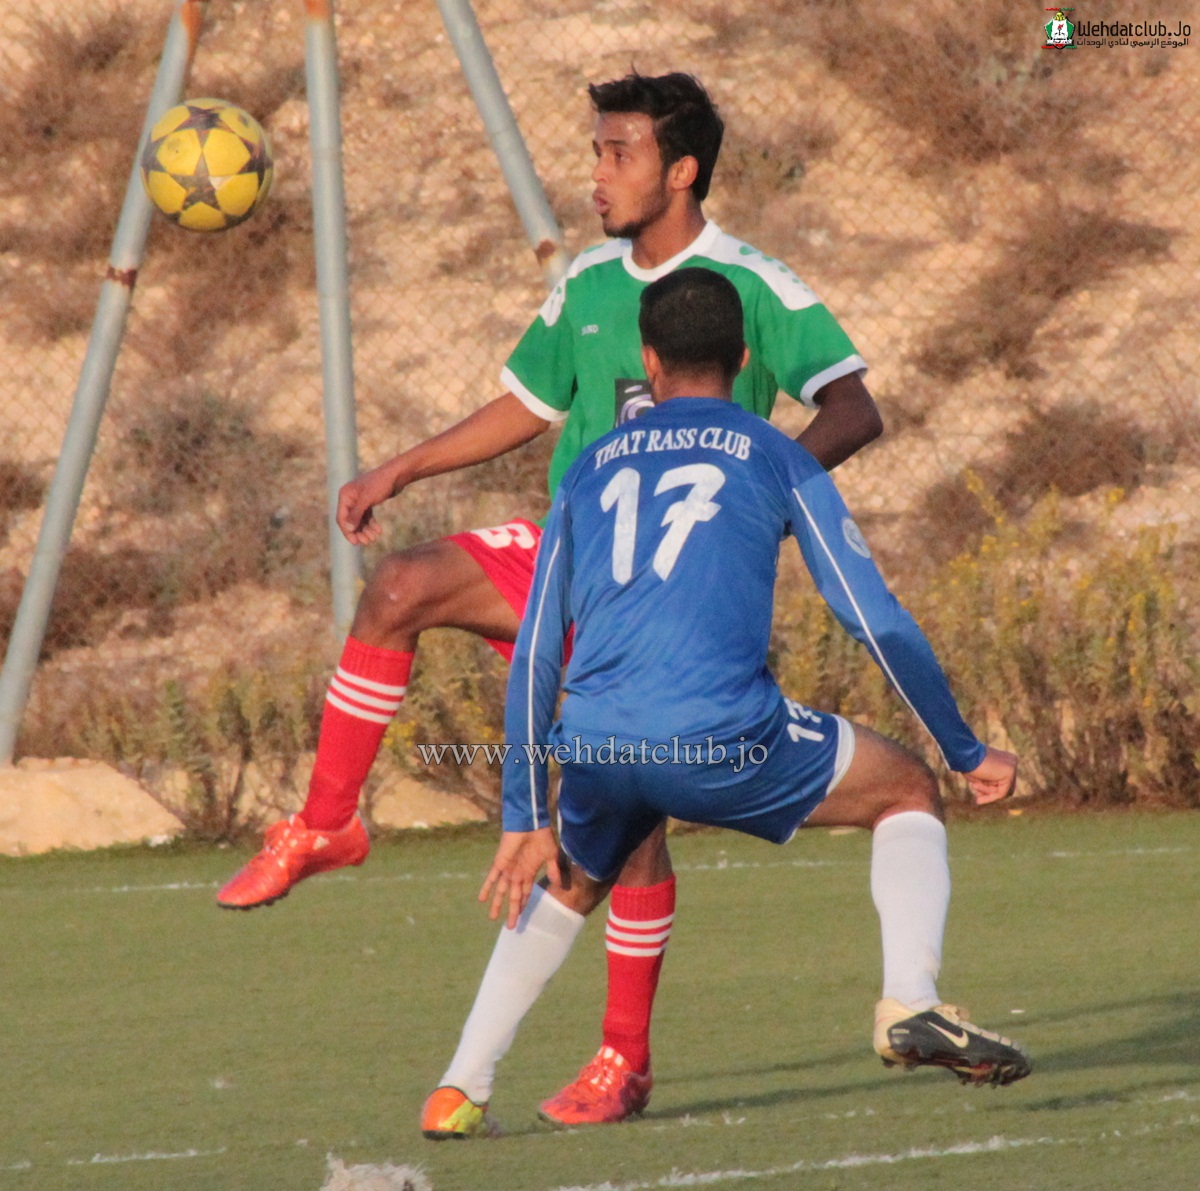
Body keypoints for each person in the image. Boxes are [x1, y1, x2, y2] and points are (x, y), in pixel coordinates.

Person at [216, 72, 883, 1124]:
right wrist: (400, 468)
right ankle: (326, 824)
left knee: (630, 819)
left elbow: (853, 406)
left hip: (656, 605)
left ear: (681, 169)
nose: (597, 175)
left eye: (618, 153)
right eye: (595, 152)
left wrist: (765, 492)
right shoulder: (589, 282)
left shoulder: (755, 287)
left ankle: (624, 1059)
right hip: (566, 558)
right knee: (401, 585)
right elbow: (528, 405)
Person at [420, 268, 1029, 1139]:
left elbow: (539, 653)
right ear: (744, 359)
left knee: (571, 880)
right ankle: (909, 1000)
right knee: (905, 788)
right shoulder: (774, 452)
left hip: (597, 738)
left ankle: (459, 1085)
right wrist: (965, 749)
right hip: (721, 736)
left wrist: (524, 809)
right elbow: (871, 616)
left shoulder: (587, 468)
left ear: (648, 360)